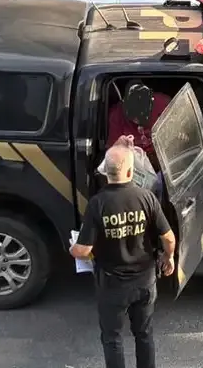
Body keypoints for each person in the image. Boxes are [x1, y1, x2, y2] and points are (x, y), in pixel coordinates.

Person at [71, 141, 176, 368]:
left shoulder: (98, 203)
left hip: (112, 285)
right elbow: (168, 237)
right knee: (144, 334)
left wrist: (73, 248)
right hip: (145, 281)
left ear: (106, 173)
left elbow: (83, 250)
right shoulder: (147, 198)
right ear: (131, 171)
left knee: (112, 338)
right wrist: (169, 258)